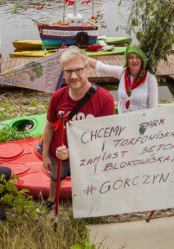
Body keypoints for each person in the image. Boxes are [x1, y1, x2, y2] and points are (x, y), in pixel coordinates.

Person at [41, 47, 115, 209]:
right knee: (55, 177)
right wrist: (45, 154)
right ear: (63, 73)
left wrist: (75, 152)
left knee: (87, 179)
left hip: (88, 157)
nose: (73, 76)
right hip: (58, 155)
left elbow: (106, 137)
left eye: (78, 70)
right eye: (68, 72)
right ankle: (52, 200)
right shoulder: (57, 97)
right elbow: (48, 127)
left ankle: (87, 204)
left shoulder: (105, 99)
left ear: (88, 69)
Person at [88, 45, 158, 113]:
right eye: (131, 57)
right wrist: (83, 57)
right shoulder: (122, 72)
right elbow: (102, 67)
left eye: (138, 57)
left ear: (142, 60)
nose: (134, 60)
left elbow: (153, 110)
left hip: (141, 122)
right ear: (127, 61)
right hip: (122, 120)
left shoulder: (150, 79)